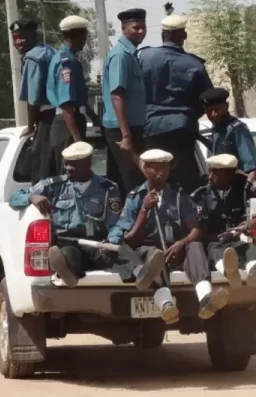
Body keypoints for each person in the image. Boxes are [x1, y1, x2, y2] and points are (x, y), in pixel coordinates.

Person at [9, 141, 164, 289]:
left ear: (88, 163)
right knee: (67, 255)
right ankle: (67, 272)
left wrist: (112, 240)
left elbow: (117, 222)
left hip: (99, 243)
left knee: (120, 252)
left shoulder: (108, 188)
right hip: (69, 241)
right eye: (66, 163)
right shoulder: (54, 186)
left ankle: (141, 275)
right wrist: (31, 197)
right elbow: (14, 197)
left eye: (73, 164)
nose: (67, 168)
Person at [108, 149, 230, 324]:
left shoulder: (179, 195)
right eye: (156, 168)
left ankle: (205, 298)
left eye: (164, 168)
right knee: (153, 254)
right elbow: (131, 239)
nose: (161, 173)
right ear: (145, 169)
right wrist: (144, 209)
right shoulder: (135, 197)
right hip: (149, 249)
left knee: (195, 246)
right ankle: (166, 305)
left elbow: (195, 230)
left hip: (174, 248)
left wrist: (181, 243)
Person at [137, 12, 214, 195]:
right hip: (183, 129)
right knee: (186, 183)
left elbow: (133, 93)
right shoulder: (195, 64)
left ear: (163, 35)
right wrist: (187, 115)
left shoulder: (143, 58)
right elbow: (208, 99)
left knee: (153, 178)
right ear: (184, 36)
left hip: (151, 128)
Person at [191, 154, 256, 288]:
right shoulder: (201, 194)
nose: (209, 177)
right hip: (214, 241)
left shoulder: (246, 184)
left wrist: (253, 223)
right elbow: (197, 230)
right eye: (210, 171)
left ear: (229, 174)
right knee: (217, 252)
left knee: (248, 248)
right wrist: (219, 236)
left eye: (215, 172)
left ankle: (255, 272)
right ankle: (230, 273)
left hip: (238, 238)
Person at [47, 16, 101, 176]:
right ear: (78, 36)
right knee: (70, 175)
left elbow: (80, 98)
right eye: (85, 36)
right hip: (67, 124)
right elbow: (66, 104)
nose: (85, 41)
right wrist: (77, 140)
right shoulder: (67, 63)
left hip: (69, 121)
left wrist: (96, 119)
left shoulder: (64, 58)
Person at [102, 8, 148, 195]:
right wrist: (126, 136)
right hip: (123, 130)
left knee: (126, 183)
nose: (141, 32)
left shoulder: (130, 54)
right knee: (133, 184)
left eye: (143, 28)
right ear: (124, 29)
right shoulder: (121, 55)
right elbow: (117, 95)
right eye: (136, 28)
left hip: (130, 129)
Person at [9, 19, 57, 184]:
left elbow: (33, 99)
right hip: (64, 115)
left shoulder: (32, 58)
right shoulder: (49, 50)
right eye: (15, 38)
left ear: (33, 35)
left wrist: (30, 126)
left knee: (41, 173)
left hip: (48, 118)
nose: (18, 42)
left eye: (22, 37)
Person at [202, 87, 256, 182]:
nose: (213, 114)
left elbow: (254, 169)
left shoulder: (236, 129)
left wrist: (244, 189)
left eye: (217, 109)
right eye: (209, 110)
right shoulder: (217, 128)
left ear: (227, 106)